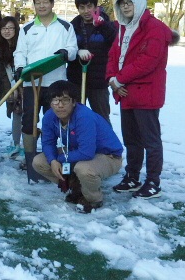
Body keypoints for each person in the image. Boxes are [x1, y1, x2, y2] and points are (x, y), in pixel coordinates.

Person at [106, 0, 173, 199]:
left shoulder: (155, 28)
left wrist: (120, 78)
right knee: (132, 140)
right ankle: (132, 176)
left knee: (151, 141)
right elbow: (112, 57)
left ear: (139, 2)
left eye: (129, 2)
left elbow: (148, 61)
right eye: (122, 3)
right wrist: (112, 80)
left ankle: (153, 181)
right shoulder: (122, 29)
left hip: (147, 93)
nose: (125, 6)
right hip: (126, 93)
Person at [13, 0, 78, 183]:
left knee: (55, 122)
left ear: (52, 4)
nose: (42, 6)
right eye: (38, 3)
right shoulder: (27, 28)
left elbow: (73, 49)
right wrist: (19, 67)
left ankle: (58, 159)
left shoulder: (65, 27)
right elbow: (19, 52)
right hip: (31, 82)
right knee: (29, 122)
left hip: (56, 83)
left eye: (45, 2)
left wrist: (66, 53)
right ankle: (30, 160)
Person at [32, 81, 123, 213]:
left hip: (107, 156)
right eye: (55, 101)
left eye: (65, 100)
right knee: (39, 161)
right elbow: (47, 142)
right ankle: (76, 187)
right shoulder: (49, 117)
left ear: (74, 102)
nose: (60, 105)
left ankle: (93, 199)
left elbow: (87, 153)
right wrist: (52, 160)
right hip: (76, 152)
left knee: (84, 169)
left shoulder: (84, 116)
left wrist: (60, 159)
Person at [66, 0, 116, 123]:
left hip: (98, 81)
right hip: (76, 79)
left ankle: (105, 143)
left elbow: (115, 42)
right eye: (82, 7)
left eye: (89, 6)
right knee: (75, 116)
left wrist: (102, 26)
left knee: (101, 117)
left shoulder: (106, 25)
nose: (86, 11)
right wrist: (77, 52)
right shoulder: (72, 27)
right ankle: (78, 143)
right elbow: (66, 48)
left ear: (95, 7)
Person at [0, 17, 23, 159]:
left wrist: (19, 86)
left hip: (24, 84)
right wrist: (9, 91)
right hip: (11, 87)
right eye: (4, 28)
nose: (7, 31)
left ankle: (25, 146)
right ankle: (16, 144)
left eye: (10, 28)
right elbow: (2, 74)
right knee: (16, 114)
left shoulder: (22, 44)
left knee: (27, 116)